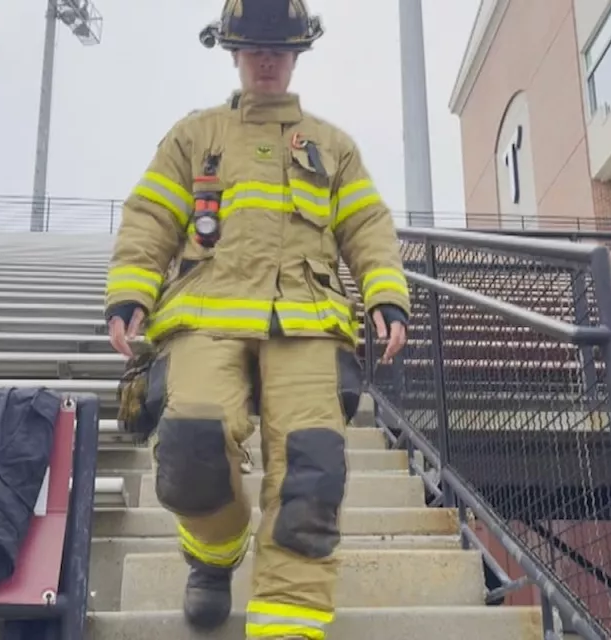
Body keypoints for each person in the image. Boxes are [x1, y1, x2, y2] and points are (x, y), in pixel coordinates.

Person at [102, 2, 410, 638]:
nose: (266, 61)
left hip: (308, 321)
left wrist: (385, 294)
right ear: (233, 53)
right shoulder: (195, 135)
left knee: (310, 475)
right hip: (205, 314)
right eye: (254, 50)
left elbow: (368, 227)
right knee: (189, 453)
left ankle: (287, 627)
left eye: (278, 51)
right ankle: (214, 554)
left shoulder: (333, 146)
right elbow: (151, 217)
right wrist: (130, 291)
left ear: (297, 56)